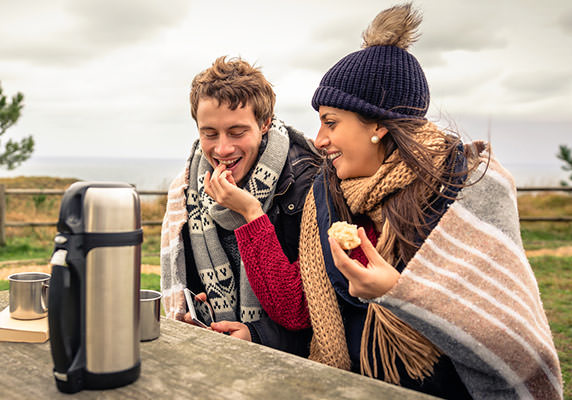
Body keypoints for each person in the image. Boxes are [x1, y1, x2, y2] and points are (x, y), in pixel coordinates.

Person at [238, 4, 563, 399]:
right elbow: (296, 307)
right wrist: (249, 214)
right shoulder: (329, 193)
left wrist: (398, 293)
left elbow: (517, 348)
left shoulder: (468, 189)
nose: (318, 140)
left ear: (377, 125)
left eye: (331, 122)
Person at [160, 56, 320, 355]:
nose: (222, 149)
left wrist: (258, 335)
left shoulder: (307, 185)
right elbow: (193, 283)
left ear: (264, 124)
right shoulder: (188, 187)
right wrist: (200, 311)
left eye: (237, 132)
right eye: (209, 134)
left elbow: (315, 309)